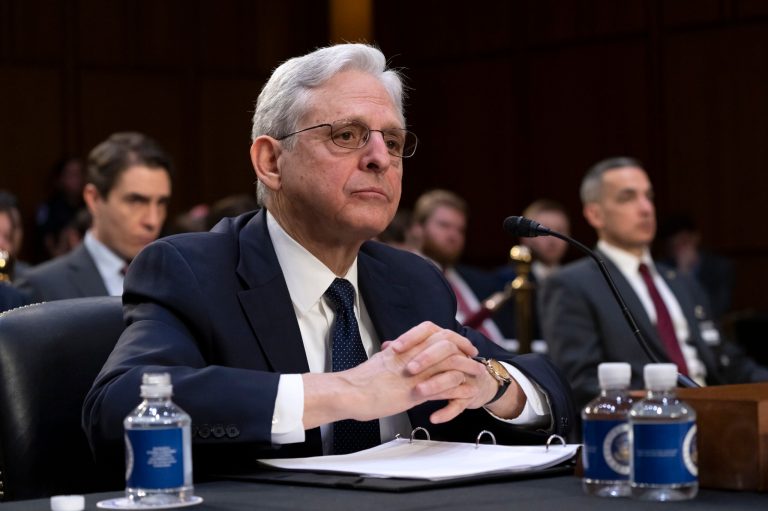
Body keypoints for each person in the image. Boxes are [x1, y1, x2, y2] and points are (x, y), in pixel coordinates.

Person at [83, 44, 574, 478]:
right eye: (347, 136)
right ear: (271, 162)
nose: (380, 158)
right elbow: (120, 406)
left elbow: (547, 386)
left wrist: (493, 385)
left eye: (394, 142)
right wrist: (344, 392)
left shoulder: (411, 278)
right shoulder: (191, 270)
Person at [539, 156, 768, 410]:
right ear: (595, 214)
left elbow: (726, 360)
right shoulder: (572, 284)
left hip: (719, 413)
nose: (646, 208)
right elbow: (583, 385)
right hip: (649, 425)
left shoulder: (678, 280)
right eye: (628, 198)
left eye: (648, 196)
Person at [16, 132, 173, 302]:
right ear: (94, 198)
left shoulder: (178, 282)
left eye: (161, 203)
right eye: (136, 201)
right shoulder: (43, 287)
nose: (153, 220)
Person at [411, 189, 517, 347]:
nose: (453, 235)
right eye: (444, 225)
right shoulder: (405, 275)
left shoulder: (480, 280)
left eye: (460, 229)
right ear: (418, 228)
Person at [496, 199, 571, 341]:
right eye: (544, 231)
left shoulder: (577, 280)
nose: (552, 239)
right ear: (525, 237)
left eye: (560, 231)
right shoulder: (505, 280)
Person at [658, 213, 735, 321]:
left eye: (684, 242)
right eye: (674, 246)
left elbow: (717, 308)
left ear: (696, 238)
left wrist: (686, 275)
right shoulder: (661, 269)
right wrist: (682, 272)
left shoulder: (719, 267)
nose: (680, 251)